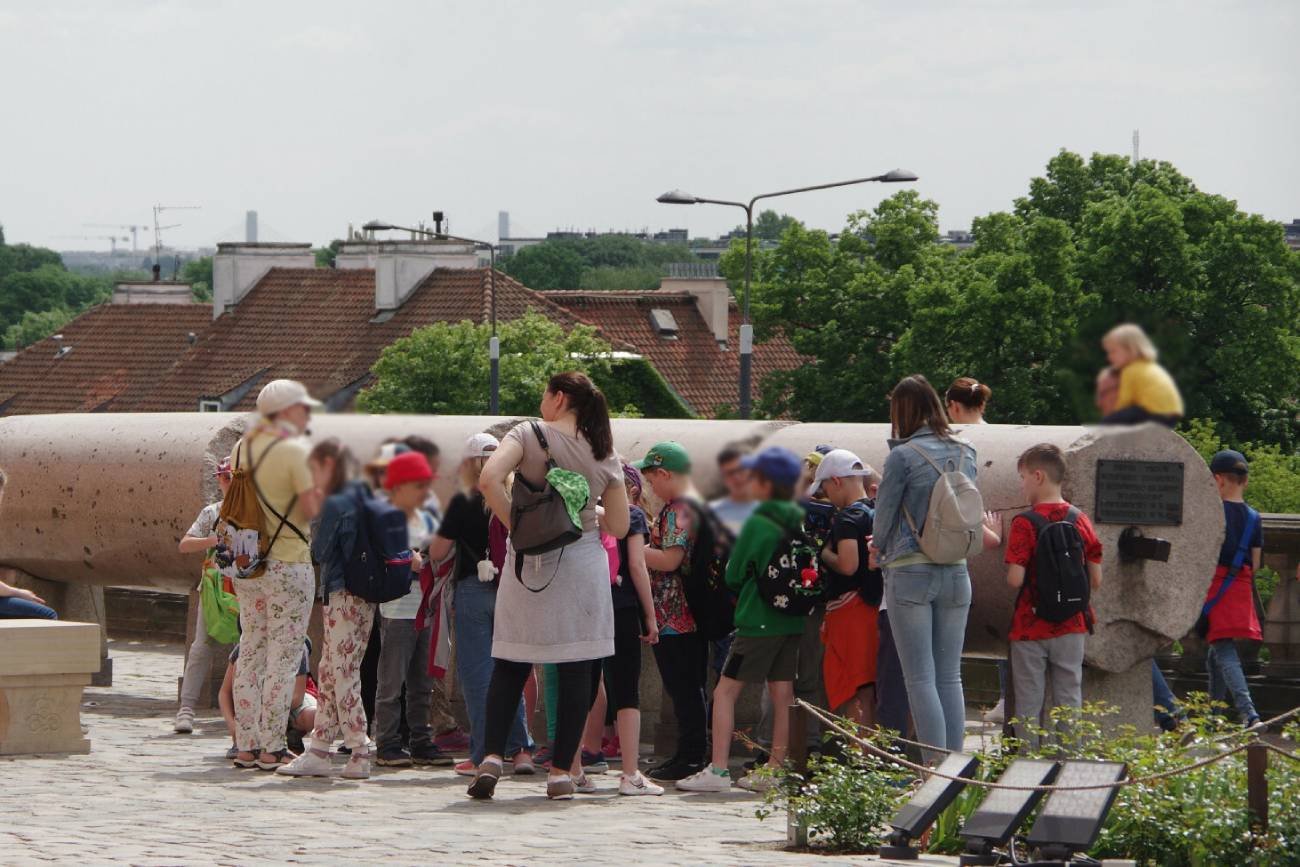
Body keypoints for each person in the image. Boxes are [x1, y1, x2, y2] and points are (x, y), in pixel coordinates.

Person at [470, 371, 629, 801]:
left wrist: (519, 527)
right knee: (578, 668)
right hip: (582, 563)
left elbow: (488, 479)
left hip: (530, 567)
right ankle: (560, 772)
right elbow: (618, 523)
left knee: (510, 662)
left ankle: (490, 758)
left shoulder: (527, 433)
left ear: (558, 398)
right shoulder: (603, 448)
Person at [678, 446, 806, 793]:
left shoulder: (759, 521)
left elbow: (734, 573)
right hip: (792, 619)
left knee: (725, 691)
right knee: (784, 694)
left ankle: (718, 769)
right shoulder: (797, 516)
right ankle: (776, 768)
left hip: (758, 619)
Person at [870, 374, 978, 760]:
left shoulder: (902, 456)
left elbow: (881, 521)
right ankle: (957, 768)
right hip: (957, 569)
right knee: (951, 675)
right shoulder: (968, 451)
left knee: (920, 679)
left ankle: (934, 770)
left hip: (911, 570)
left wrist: (876, 549)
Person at [230, 379, 322, 771]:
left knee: (250, 650)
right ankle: (272, 746)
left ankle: (246, 745)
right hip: (288, 560)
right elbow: (312, 508)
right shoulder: (293, 450)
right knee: (284, 658)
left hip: (248, 561)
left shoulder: (241, 447)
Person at [433, 433, 536, 778]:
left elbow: (436, 552)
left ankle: (482, 754)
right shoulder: (515, 496)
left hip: (473, 591)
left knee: (479, 677)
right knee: (511, 671)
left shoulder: (463, 501)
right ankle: (520, 751)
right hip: (513, 589)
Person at [277, 440, 377, 779]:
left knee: (344, 673)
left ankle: (360, 749)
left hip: (342, 592)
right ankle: (319, 748)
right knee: (332, 670)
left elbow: (319, 550)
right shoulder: (366, 492)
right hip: (365, 594)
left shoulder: (334, 499)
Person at [1004, 444, 1103, 749]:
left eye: (1022, 477)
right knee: (1069, 698)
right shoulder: (1080, 519)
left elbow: (1015, 579)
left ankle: (1027, 770)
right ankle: (1067, 766)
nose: (1021, 484)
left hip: (1030, 626)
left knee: (1029, 704)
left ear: (1038, 476)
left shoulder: (1024, 523)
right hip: (1072, 624)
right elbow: (1095, 581)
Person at [637, 441, 708, 783]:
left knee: (685, 687)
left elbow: (670, 560)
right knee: (684, 687)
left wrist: (633, 548)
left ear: (665, 474)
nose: (650, 487)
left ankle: (692, 756)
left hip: (677, 613)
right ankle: (686, 753)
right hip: (681, 612)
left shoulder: (679, 508)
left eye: (652, 480)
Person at [372, 451, 448, 768]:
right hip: (397, 609)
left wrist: (424, 560)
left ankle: (421, 741)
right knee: (391, 682)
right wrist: (420, 561)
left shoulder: (428, 514)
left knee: (422, 683)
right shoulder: (386, 513)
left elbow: (436, 554)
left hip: (426, 606)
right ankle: (387, 743)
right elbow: (404, 557)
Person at [808, 449, 882, 727]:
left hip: (850, 611)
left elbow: (848, 565)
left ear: (836, 481)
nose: (826, 495)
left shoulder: (846, 519)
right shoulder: (877, 510)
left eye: (825, 487)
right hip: (874, 605)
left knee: (856, 686)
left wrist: (824, 553)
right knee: (870, 684)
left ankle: (861, 758)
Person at [602, 464, 663, 795]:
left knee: (585, 683)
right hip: (622, 606)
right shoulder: (633, 516)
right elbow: (638, 566)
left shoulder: (589, 513)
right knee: (626, 688)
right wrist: (650, 617)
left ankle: (572, 768)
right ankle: (630, 772)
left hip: (589, 606)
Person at [1201, 450, 1263, 728]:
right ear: (1246, 481)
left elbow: (1204, 554)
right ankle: (1213, 715)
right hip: (1240, 587)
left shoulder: (1214, 514)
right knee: (1216, 651)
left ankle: (1248, 713)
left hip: (1216, 586)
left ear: (1217, 480)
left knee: (1224, 651)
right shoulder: (1254, 517)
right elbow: (1257, 562)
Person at [175, 459, 235, 734]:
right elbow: (185, 544)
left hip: (248, 587)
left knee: (252, 646)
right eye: (224, 478)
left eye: (233, 477)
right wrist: (213, 540)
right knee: (202, 646)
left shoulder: (258, 512)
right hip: (215, 589)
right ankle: (186, 708)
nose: (228, 483)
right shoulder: (212, 512)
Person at [222, 640, 317, 759]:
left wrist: (268, 713)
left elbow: (297, 696)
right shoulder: (244, 647)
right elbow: (225, 692)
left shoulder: (295, 642)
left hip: (288, 701)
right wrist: (233, 725)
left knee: (313, 716)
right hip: (256, 703)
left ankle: (290, 735)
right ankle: (247, 743)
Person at [1100, 323, 1184, 427]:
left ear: (1130, 349)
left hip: (1153, 413)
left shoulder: (1130, 370)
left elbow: (1125, 401)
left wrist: (1114, 417)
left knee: (1108, 422)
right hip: (1172, 414)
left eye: (1113, 352)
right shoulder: (1150, 366)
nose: (1109, 357)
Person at [710, 445, 757, 536]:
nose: (736, 477)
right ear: (723, 477)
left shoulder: (770, 511)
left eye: (741, 470)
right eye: (730, 473)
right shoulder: (712, 513)